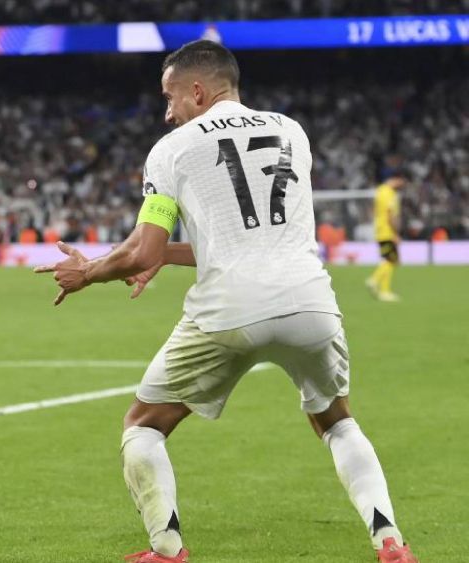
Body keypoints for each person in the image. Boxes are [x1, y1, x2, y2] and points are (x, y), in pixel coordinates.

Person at [35, 40, 417, 563]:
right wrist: (162, 258)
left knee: (143, 424)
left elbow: (143, 246)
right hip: (310, 301)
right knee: (337, 421)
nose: (166, 111)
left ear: (197, 90)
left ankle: (166, 548)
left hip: (227, 311)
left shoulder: (171, 150)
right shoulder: (292, 131)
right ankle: (389, 538)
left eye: (170, 97)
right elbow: (243, 237)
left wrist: (90, 272)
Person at [365, 171, 406, 302]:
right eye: (402, 181)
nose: (402, 184)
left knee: (388, 260)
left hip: (379, 230)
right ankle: (375, 280)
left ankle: (384, 291)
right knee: (391, 260)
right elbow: (390, 215)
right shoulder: (390, 194)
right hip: (388, 232)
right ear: (396, 179)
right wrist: (396, 234)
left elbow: (375, 210)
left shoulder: (379, 191)